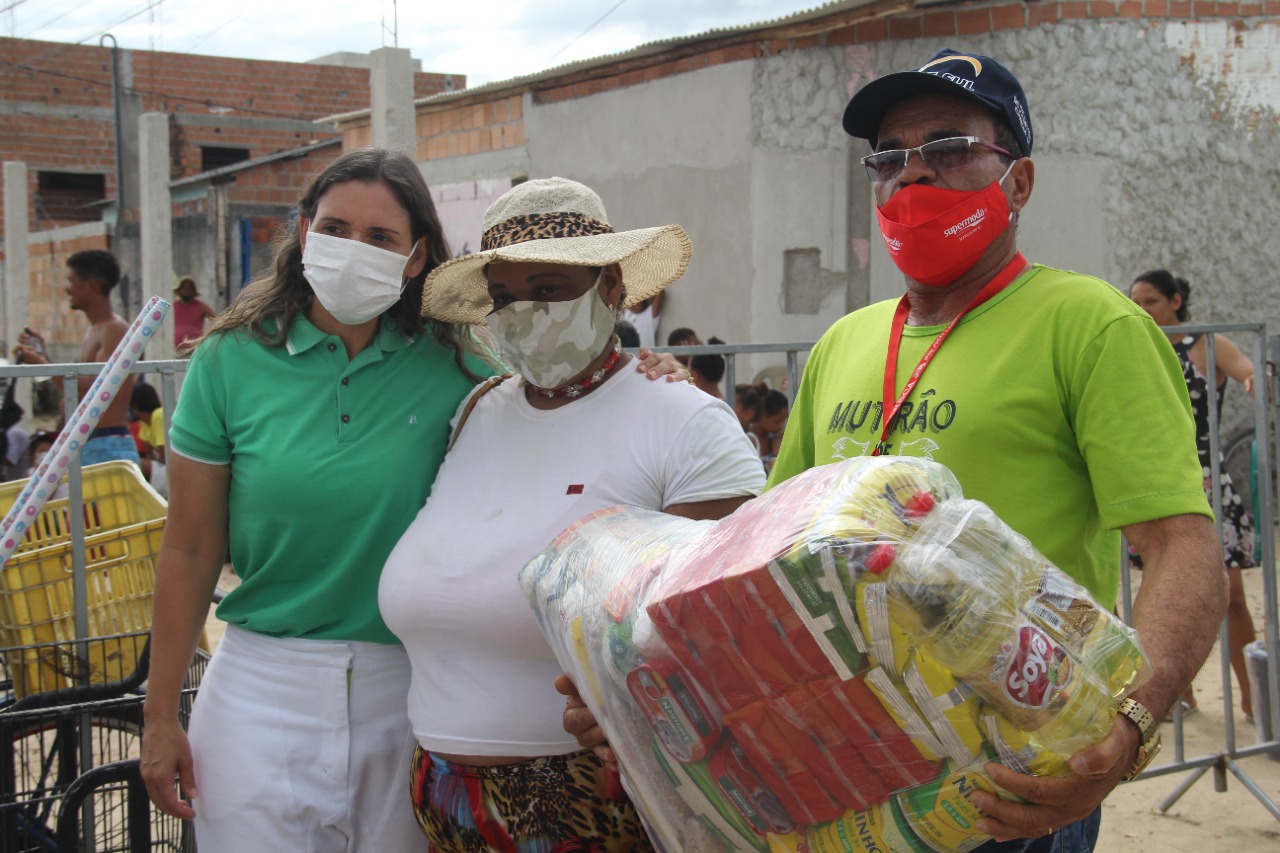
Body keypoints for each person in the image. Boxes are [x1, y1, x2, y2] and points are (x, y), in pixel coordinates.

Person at [564, 49, 1227, 852]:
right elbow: (765, 561)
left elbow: (1183, 548)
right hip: (835, 767)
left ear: (1017, 182)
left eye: (949, 151)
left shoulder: (1093, 325)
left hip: (1006, 786)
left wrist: (1124, 727)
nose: (913, 178)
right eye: (889, 158)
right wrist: (637, 688)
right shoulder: (846, 340)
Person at [139, 150, 687, 852]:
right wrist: (159, 714)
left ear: (416, 255)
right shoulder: (229, 360)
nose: (353, 249)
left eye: (380, 237)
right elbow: (189, 544)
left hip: (410, 691)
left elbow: (566, 393)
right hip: (258, 687)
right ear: (304, 234)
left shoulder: (464, 371)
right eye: (335, 228)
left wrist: (648, 373)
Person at [379, 177, 765, 853]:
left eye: (549, 287)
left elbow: (735, 641)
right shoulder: (476, 413)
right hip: (443, 801)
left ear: (611, 286)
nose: (523, 311)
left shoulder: (683, 421)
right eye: (503, 297)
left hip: (600, 811)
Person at [1129, 269, 1258, 721]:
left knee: (1233, 597)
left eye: (1151, 302)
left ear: (1177, 301)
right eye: (1136, 303)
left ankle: (1250, 696)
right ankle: (1174, 696)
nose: (1142, 311)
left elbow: (1247, 369)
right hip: (1155, 488)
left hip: (1207, 485)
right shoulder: (1135, 349)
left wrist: (1254, 381)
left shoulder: (1207, 345)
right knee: (1163, 598)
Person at [12, 250, 139, 468]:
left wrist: (43, 365)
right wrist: (43, 357)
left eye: (71, 281)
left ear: (90, 285)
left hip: (107, 444)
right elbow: (78, 388)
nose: (67, 288)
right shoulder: (94, 330)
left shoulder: (115, 330)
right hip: (90, 442)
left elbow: (100, 389)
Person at [172, 275, 218, 353]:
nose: (186, 291)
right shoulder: (173, 306)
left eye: (189, 288)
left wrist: (210, 338)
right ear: (180, 290)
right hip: (177, 350)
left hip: (196, 349)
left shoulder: (201, 306)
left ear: (193, 291)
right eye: (184, 288)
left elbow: (216, 320)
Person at [750, 385, 789, 468]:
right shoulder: (749, 440)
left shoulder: (778, 438)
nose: (781, 425)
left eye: (784, 420)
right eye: (777, 421)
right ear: (762, 415)